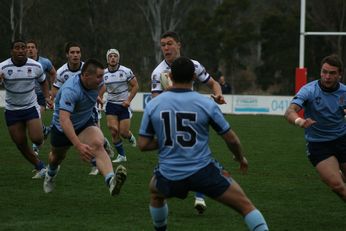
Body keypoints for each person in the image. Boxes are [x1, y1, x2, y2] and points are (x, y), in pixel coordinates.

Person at [139, 57, 269, 231]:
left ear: (170, 75)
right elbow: (231, 139)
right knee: (246, 206)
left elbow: (143, 144)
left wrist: (167, 139)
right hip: (203, 173)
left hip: (170, 174)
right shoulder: (206, 103)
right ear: (194, 77)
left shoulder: (153, 105)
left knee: (155, 193)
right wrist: (240, 158)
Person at [150, 31, 226, 213]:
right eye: (163, 45)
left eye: (170, 43)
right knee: (184, 157)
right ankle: (190, 190)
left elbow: (213, 84)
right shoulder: (158, 73)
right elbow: (155, 102)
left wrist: (218, 94)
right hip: (170, 121)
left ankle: (199, 196)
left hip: (192, 117)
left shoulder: (194, 66)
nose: (166, 48)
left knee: (195, 154)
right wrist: (170, 91)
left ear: (179, 44)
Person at [43, 59, 127, 196]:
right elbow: (64, 120)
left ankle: (111, 181)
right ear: (86, 76)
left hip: (84, 124)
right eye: (99, 77)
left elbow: (96, 92)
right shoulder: (71, 90)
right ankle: (50, 175)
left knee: (97, 144)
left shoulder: (97, 83)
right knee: (56, 158)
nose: (102, 80)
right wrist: (78, 145)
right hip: (62, 128)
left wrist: (97, 98)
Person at [284, 54, 346, 201]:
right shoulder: (309, 90)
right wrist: (300, 121)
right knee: (337, 186)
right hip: (319, 145)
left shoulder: (344, 92)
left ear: (340, 75)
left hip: (343, 140)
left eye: (332, 73)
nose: (327, 76)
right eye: (324, 72)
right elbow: (289, 112)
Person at [52, 42, 113, 175]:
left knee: (97, 140)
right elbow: (55, 91)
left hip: (85, 116)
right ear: (67, 54)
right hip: (64, 119)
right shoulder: (62, 73)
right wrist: (67, 101)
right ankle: (51, 171)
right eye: (72, 52)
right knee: (57, 157)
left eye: (78, 52)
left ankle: (107, 175)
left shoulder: (91, 68)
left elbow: (101, 85)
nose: (75, 55)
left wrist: (96, 96)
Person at [0, 39, 52, 179]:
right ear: (12, 51)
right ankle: (39, 166)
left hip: (30, 107)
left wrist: (47, 97)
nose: (21, 50)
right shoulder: (3, 67)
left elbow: (43, 82)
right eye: (17, 48)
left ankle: (44, 131)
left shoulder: (35, 66)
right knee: (20, 143)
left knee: (37, 138)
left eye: (23, 47)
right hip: (12, 110)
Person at [99, 49, 138, 164]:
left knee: (124, 133)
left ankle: (130, 137)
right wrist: (100, 97)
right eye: (110, 56)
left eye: (115, 56)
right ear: (107, 59)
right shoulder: (104, 73)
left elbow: (135, 86)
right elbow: (102, 87)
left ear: (118, 58)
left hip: (123, 105)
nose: (113, 58)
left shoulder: (126, 71)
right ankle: (122, 155)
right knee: (113, 131)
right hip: (111, 104)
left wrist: (128, 100)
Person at [26, 40, 57, 153]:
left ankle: (35, 148)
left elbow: (53, 73)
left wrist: (51, 89)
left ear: (37, 49)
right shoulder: (22, 62)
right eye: (28, 47)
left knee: (36, 117)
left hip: (40, 96)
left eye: (32, 47)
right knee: (30, 121)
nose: (30, 49)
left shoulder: (44, 62)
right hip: (27, 96)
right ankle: (45, 130)